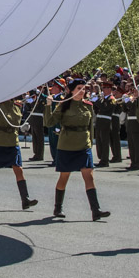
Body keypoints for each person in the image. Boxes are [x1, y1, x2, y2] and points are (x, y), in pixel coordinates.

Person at [43, 79, 111, 221]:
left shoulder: (88, 105)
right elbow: (48, 122)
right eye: (79, 88)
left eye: (84, 88)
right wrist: (48, 105)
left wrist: (91, 143)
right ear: (71, 90)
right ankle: (58, 207)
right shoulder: (63, 105)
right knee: (64, 177)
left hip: (83, 145)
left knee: (89, 177)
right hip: (67, 145)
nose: (82, 91)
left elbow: (90, 126)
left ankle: (95, 210)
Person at [0, 99, 38, 209]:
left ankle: (25, 199)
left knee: (18, 169)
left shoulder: (17, 106)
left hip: (13, 141)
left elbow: (18, 122)